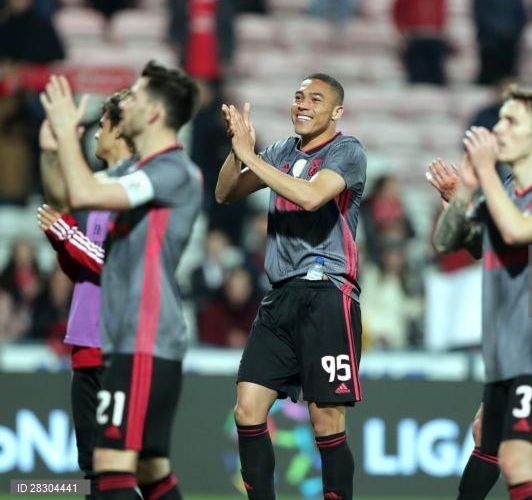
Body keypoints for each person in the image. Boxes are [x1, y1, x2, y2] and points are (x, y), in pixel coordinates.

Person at [39, 60, 201, 500]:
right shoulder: (136, 172)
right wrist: (54, 149)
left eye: (134, 95)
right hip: (125, 339)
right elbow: (65, 196)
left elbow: (84, 194)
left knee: (110, 464)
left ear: (152, 113)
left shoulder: (173, 171)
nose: (125, 101)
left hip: (145, 336)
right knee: (150, 471)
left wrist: (65, 143)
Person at [214, 73, 366, 500]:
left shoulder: (347, 150)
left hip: (326, 294)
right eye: (299, 96)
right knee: (247, 410)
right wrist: (236, 151)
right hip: (279, 296)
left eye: (315, 99)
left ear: (336, 111)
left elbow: (312, 197)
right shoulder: (281, 150)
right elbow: (226, 193)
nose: (302, 104)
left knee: (326, 423)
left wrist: (252, 156)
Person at [433, 87, 532, 500]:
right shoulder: (505, 191)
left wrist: (482, 179)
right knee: (504, 439)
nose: (497, 128)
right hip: (504, 349)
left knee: (518, 457)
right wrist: (461, 193)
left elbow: (518, 232)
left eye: (509, 121)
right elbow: (450, 242)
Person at [36, 89, 136, 500]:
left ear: (120, 131)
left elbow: (116, 265)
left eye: (101, 126)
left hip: (117, 345)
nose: (95, 135)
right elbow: (83, 266)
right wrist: (62, 241)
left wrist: (65, 233)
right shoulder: (100, 190)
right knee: (94, 470)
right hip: (87, 345)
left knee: (111, 471)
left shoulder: (136, 190)